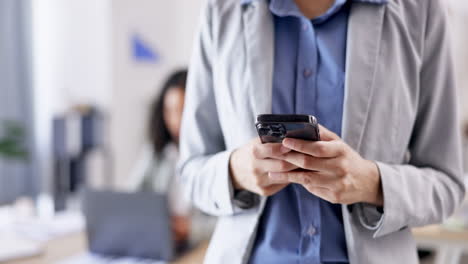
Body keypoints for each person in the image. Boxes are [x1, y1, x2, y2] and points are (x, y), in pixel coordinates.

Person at [178, 0, 466, 263]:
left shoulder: (421, 10)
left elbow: (447, 184)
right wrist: (234, 172)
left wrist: (372, 183)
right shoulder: (222, 10)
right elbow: (191, 171)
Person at [128, 69, 191, 253]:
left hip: (196, 245)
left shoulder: (217, 154)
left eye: (182, 110)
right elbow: (131, 196)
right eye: (169, 110)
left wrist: (191, 228)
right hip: (160, 243)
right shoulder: (157, 150)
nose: (175, 120)